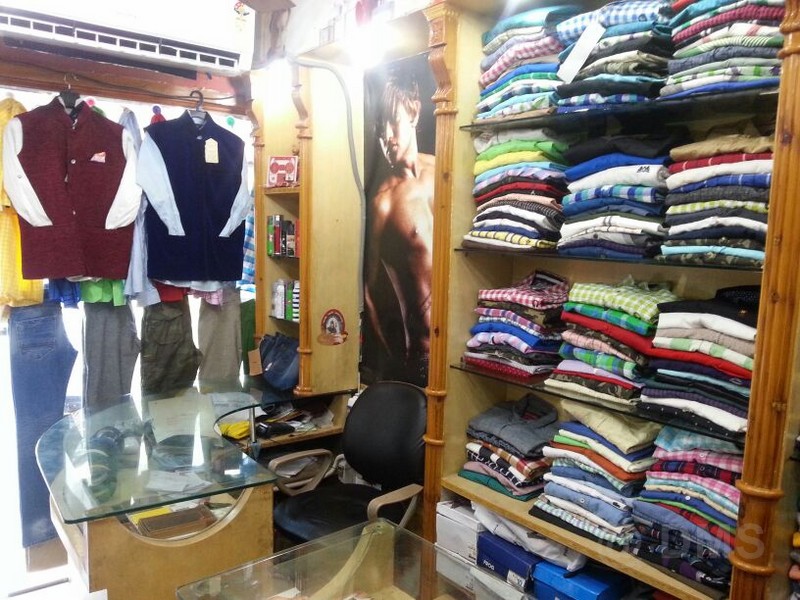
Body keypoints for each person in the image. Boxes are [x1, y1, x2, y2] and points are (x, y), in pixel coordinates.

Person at [363, 69, 435, 388]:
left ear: (415, 113)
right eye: (380, 126)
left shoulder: (444, 171)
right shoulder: (383, 203)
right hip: (421, 357)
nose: (387, 136)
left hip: (461, 344)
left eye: (394, 121)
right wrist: (395, 357)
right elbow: (369, 291)